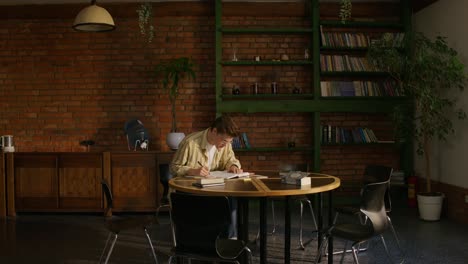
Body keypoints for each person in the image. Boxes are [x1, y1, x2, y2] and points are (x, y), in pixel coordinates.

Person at [170, 114, 243, 238]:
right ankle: (211, 241)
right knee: (223, 203)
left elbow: (231, 159)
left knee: (232, 198)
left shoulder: (226, 144)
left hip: (215, 190)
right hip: (191, 193)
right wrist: (192, 171)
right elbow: (174, 167)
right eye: (224, 141)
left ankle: (230, 240)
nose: (226, 145)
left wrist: (233, 166)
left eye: (229, 142)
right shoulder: (190, 143)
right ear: (214, 131)